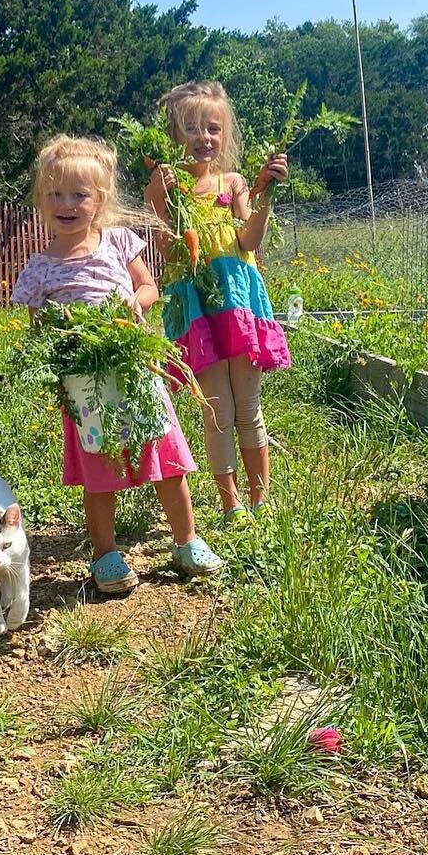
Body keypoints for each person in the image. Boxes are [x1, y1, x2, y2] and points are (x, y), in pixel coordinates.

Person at [11, 134, 224, 594]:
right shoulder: (41, 266)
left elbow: (149, 288)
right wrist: (58, 337)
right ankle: (105, 555)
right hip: (85, 382)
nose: (66, 204)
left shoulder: (119, 242)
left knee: (164, 457)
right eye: (54, 195)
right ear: (41, 200)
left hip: (134, 369)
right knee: (99, 469)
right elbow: (37, 330)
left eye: (79, 195)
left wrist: (134, 301)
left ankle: (186, 541)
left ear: (101, 200)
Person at [146, 81, 289, 524]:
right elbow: (168, 251)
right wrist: (161, 198)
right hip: (195, 307)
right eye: (191, 128)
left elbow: (248, 239)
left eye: (212, 128)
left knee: (248, 406)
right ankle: (231, 506)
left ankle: (260, 498)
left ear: (223, 135)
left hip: (239, 303)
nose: (203, 137)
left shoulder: (234, 183)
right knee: (218, 410)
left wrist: (264, 195)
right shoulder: (167, 189)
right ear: (173, 135)